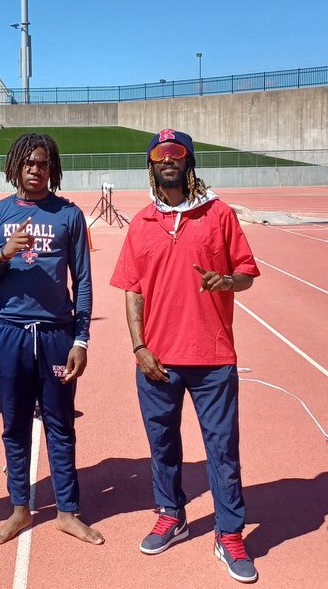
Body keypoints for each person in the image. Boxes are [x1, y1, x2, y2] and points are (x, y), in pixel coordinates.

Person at [110, 129, 261, 583]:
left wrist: (228, 282)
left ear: (189, 162)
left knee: (222, 450)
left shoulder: (218, 214)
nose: (168, 160)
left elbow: (247, 274)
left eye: (177, 153)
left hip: (213, 358)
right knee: (163, 447)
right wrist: (139, 347)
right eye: (159, 155)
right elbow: (132, 291)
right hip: (157, 360)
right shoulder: (141, 224)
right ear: (151, 165)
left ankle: (229, 534)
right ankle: (171, 515)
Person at [0, 133, 103, 546]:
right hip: (9, 334)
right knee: (13, 428)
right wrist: (4, 254)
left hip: (56, 336)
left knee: (61, 425)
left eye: (43, 163)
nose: (35, 169)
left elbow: (82, 281)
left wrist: (81, 339)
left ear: (52, 168)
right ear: (15, 167)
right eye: (28, 163)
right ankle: (19, 510)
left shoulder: (69, 216)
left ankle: (67, 512)